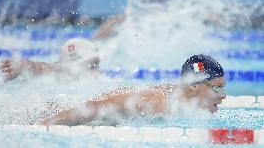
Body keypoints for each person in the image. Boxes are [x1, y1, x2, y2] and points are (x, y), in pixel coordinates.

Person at [41, 54, 226, 126]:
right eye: (217, 87)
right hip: (59, 115)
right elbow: (91, 108)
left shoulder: (180, 100)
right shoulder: (157, 102)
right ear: (193, 85)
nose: (223, 95)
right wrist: (43, 127)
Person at [0, 38, 100, 82]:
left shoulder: (97, 80)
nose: (95, 70)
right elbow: (37, 66)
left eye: (96, 64)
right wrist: (21, 66)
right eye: (91, 65)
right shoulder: (57, 74)